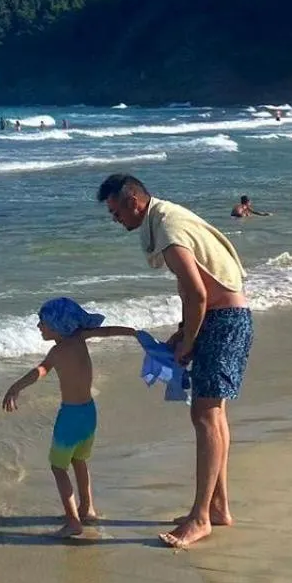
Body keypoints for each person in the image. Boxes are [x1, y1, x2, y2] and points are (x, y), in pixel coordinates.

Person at [96, 174, 250, 550]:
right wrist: (184, 331)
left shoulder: (166, 228)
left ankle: (200, 519)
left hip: (224, 321)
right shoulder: (166, 217)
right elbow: (191, 291)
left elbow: (197, 293)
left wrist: (191, 340)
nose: (116, 221)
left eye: (116, 212)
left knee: (204, 415)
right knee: (213, 414)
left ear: (133, 201)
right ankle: (218, 507)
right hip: (223, 318)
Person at [2, 298, 138, 538]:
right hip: (89, 412)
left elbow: (40, 371)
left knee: (58, 467)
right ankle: (88, 509)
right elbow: (106, 331)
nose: (38, 326)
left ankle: (73, 521)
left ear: (58, 325)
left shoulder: (57, 351)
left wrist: (16, 387)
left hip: (71, 416)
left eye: (42, 322)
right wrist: (134, 332)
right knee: (79, 460)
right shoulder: (80, 338)